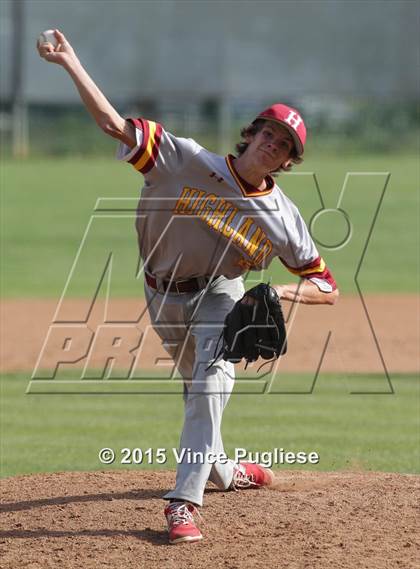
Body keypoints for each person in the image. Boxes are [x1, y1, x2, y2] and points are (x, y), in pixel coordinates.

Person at [38, 30, 339, 545]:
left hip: (221, 296)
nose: (273, 143)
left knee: (211, 385)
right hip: (161, 295)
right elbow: (113, 124)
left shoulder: (283, 216)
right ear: (252, 133)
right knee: (197, 391)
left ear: (289, 160)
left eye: (284, 144)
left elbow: (325, 286)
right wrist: (70, 62)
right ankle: (224, 470)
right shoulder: (185, 160)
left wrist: (280, 294)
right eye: (268, 132)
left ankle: (182, 503)